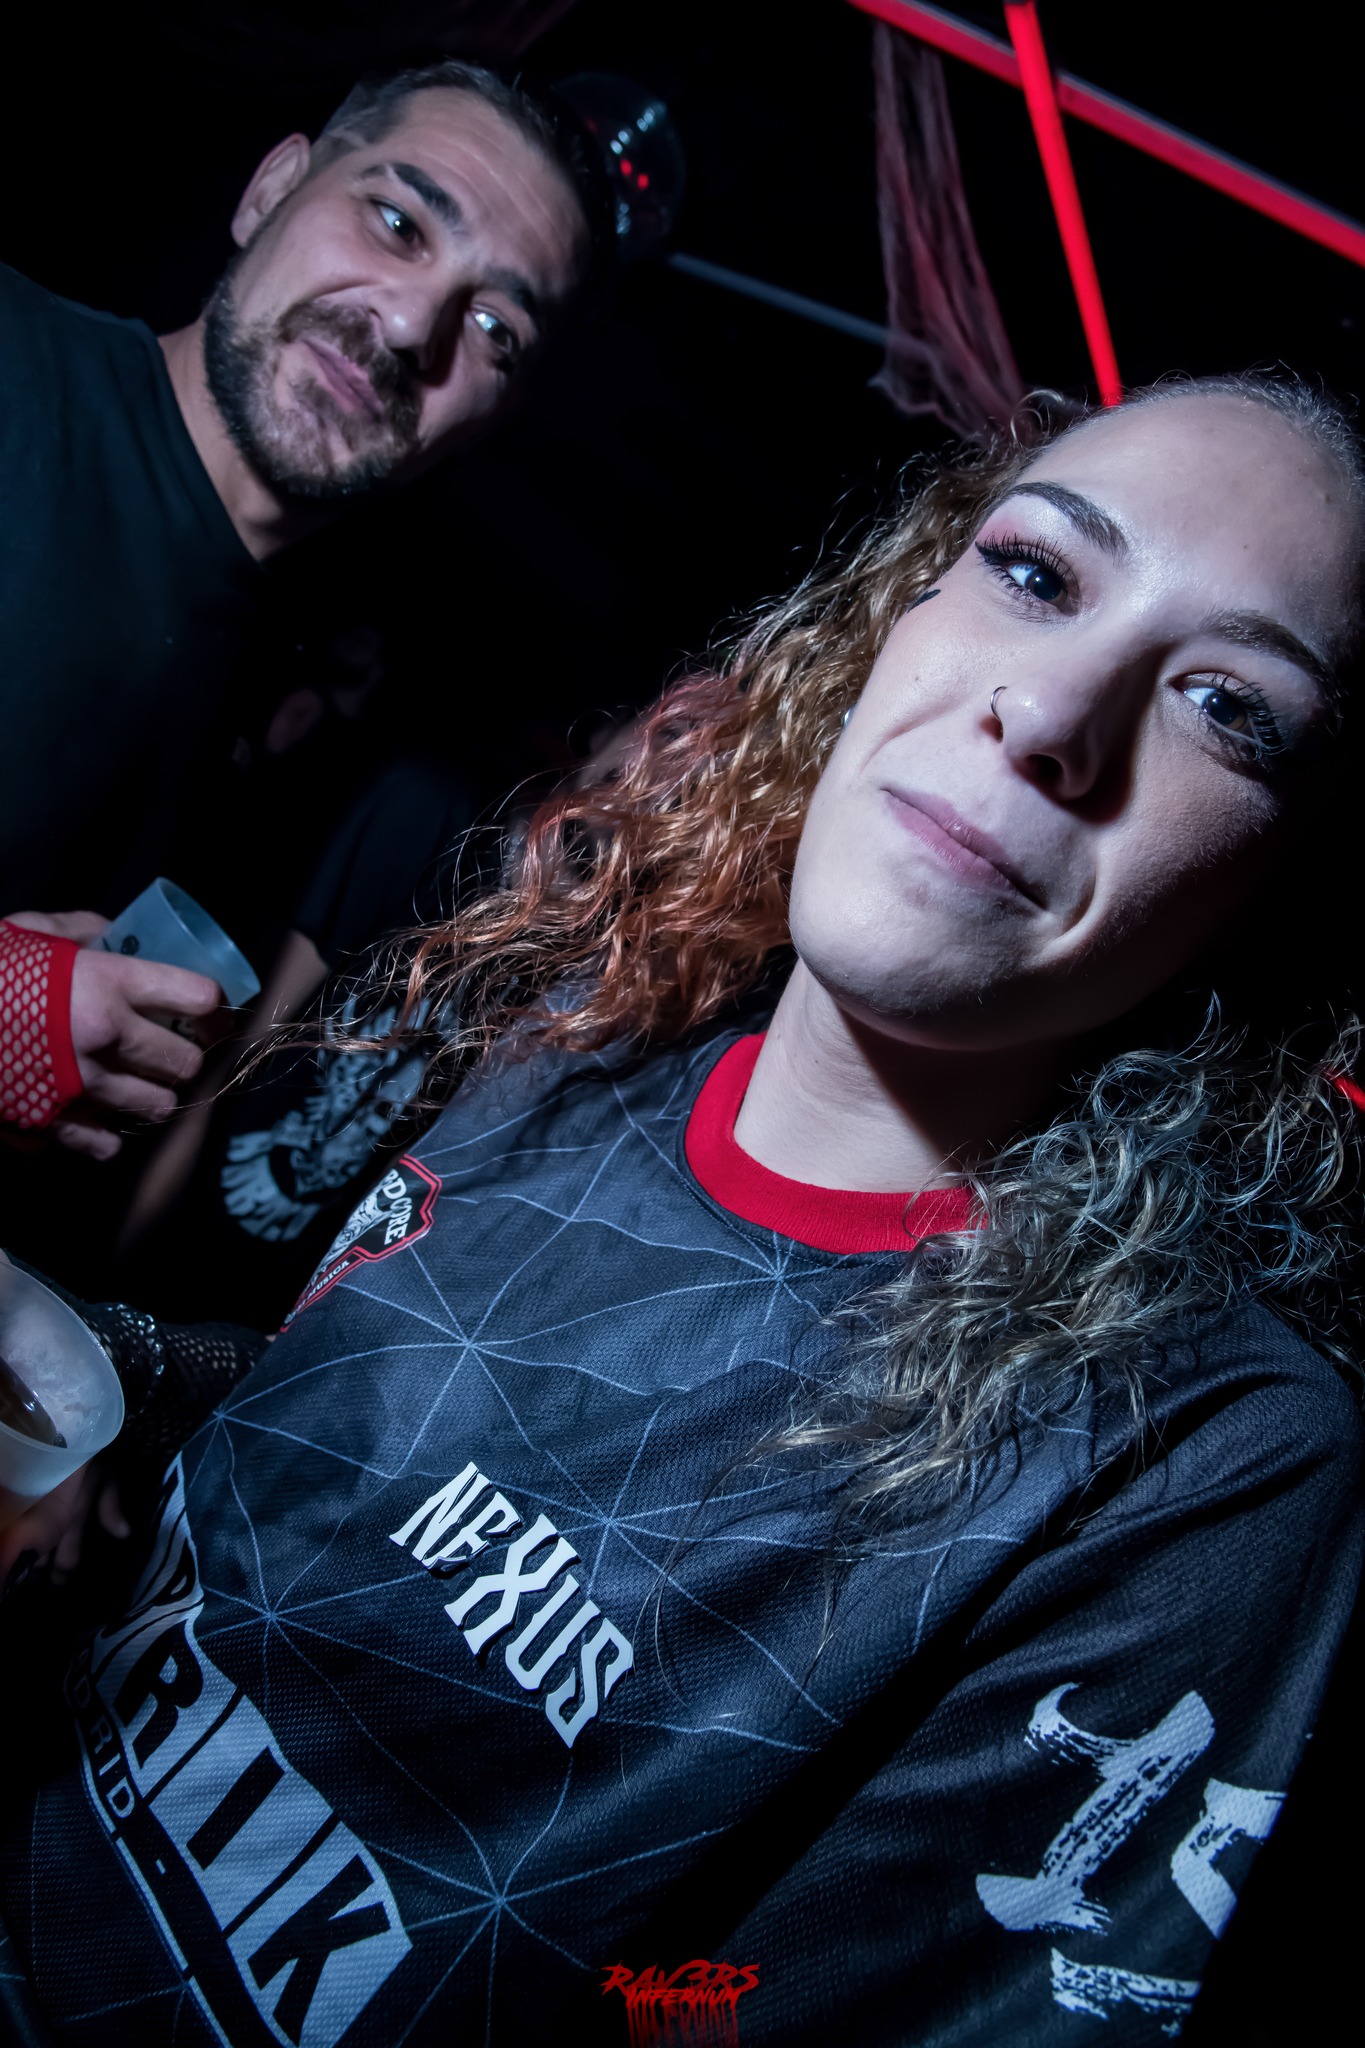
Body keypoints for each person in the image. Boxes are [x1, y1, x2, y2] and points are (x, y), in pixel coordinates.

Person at [1, 375, 1363, 2046]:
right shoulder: (588, 1038)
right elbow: (339, 1454)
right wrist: (88, 1370)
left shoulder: (1205, 1453)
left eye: (1230, 707)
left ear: (1287, 892)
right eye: (1035, 573)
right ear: (897, 618)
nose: (1052, 711)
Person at [0, 56, 607, 1161]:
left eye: (493, 329)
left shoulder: (285, 684)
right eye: (397, 222)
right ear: (270, 189)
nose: (411, 324)